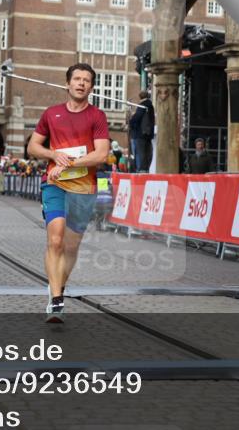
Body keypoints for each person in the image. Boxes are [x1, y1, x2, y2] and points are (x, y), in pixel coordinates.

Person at [27, 63, 110, 321]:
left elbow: (101, 155)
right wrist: (53, 155)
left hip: (84, 188)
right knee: (55, 240)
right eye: (77, 79)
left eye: (87, 80)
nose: (81, 83)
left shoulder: (97, 116)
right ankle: (56, 300)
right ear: (67, 83)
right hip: (55, 185)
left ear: (91, 87)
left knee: (71, 246)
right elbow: (33, 147)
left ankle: (58, 286)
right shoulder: (51, 114)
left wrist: (69, 164)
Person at [127, 90, 154, 172]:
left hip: (140, 134)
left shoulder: (143, 105)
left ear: (140, 97)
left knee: (139, 154)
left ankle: (140, 170)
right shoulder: (150, 106)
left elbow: (137, 117)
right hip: (147, 134)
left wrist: (130, 122)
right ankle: (144, 170)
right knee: (146, 154)